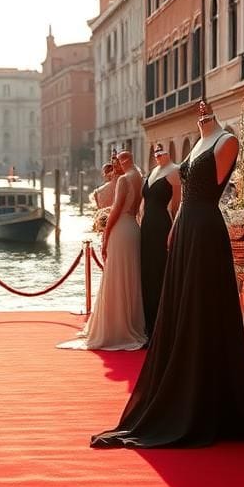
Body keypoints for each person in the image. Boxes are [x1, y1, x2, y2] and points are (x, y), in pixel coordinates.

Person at [91, 102, 244, 448]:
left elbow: (210, 189)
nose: (201, 116)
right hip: (186, 227)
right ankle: (182, 384)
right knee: (183, 306)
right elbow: (186, 195)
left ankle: (205, 394)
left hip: (204, 228)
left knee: (204, 306)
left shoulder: (226, 141)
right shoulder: (199, 142)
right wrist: (174, 228)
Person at [59, 148, 146, 351]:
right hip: (134, 228)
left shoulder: (124, 180)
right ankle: (131, 323)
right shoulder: (140, 177)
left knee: (115, 277)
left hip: (120, 229)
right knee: (131, 278)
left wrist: (106, 237)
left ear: (121, 162)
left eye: (117, 161)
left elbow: (115, 211)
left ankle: (114, 327)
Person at [139, 143, 181, 338]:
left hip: (162, 227)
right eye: (156, 152)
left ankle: (163, 326)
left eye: (160, 152)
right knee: (147, 274)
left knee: (160, 272)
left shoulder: (175, 171)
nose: (157, 154)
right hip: (146, 228)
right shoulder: (153, 170)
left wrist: (173, 230)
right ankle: (149, 325)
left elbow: (177, 207)